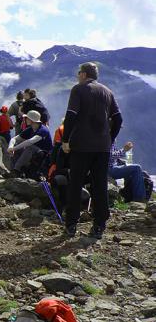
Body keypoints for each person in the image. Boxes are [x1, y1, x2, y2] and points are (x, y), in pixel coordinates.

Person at [62, 62, 122, 239]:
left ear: (83, 74)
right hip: (102, 147)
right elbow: (118, 119)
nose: (77, 75)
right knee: (100, 185)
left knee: (76, 184)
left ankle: (71, 224)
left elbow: (71, 115)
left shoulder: (78, 89)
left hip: (81, 145)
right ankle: (99, 225)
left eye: (78, 72)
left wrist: (65, 140)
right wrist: (109, 139)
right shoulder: (107, 92)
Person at [8, 110, 53, 176]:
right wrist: (11, 147)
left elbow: (30, 142)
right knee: (18, 147)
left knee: (30, 147)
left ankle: (17, 170)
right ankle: (13, 170)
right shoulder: (30, 129)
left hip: (44, 157)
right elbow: (14, 139)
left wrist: (14, 149)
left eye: (27, 118)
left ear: (31, 120)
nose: (25, 119)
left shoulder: (43, 130)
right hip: (34, 154)